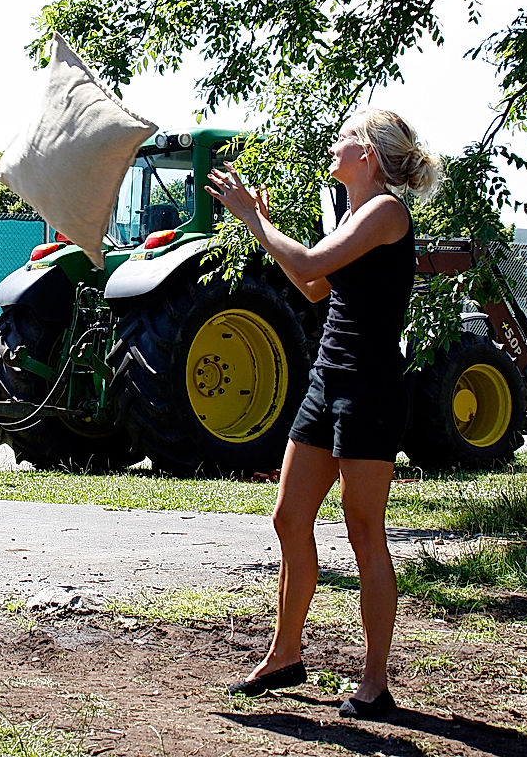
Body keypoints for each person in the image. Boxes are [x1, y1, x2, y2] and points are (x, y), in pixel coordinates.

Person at [206, 108, 441, 719]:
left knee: (364, 532)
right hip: (327, 378)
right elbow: (313, 286)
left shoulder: (386, 212)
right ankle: (286, 654)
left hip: (369, 388)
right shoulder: (353, 216)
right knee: (289, 517)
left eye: (344, 140)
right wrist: (268, 225)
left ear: (367, 155)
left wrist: (256, 220)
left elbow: (308, 265)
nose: (332, 148)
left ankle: (374, 680)